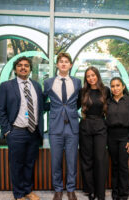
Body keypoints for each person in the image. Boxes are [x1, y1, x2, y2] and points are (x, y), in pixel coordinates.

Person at [0, 56, 44, 200]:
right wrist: (7, 131)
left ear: (30, 69)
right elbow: (0, 110)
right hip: (16, 132)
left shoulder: (36, 86)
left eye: (26, 65)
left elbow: (40, 106)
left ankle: (28, 191)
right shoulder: (6, 86)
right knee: (17, 164)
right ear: (15, 69)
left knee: (29, 163)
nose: (23, 67)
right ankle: (18, 194)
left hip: (33, 131)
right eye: (20, 65)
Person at [43, 52, 81, 200]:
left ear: (70, 65)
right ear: (57, 65)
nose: (64, 64)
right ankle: (58, 189)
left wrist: (70, 111)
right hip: (55, 125)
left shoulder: (77, 82)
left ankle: (71, 189)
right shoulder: (48, 82)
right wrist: (54, 108)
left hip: (72, 126)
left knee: (72, 160)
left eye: (66, 61)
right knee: (56, 160)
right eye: (61, 61)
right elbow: (42, 101)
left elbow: (78, 102)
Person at [78, 66, 110, 200]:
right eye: (88, 76)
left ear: (97, 75)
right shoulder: (83, 91)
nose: (91, 78)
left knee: (100, 159)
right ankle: (89, 190)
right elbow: (73, 106)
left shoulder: (106, 90)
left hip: (101, 126)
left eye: (93, 75)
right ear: (86, 78)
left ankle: (100, 192)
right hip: (85, 126)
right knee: (87, 160)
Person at [106, 77, 129, 200]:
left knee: (123, 166)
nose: (115, 88)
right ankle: (115, 193)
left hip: (125, 137)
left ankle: (124, 194)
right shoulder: (108, 102)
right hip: (111, 137)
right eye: (113, 86)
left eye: (118, 85)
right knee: (114, 165)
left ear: (123, 86)